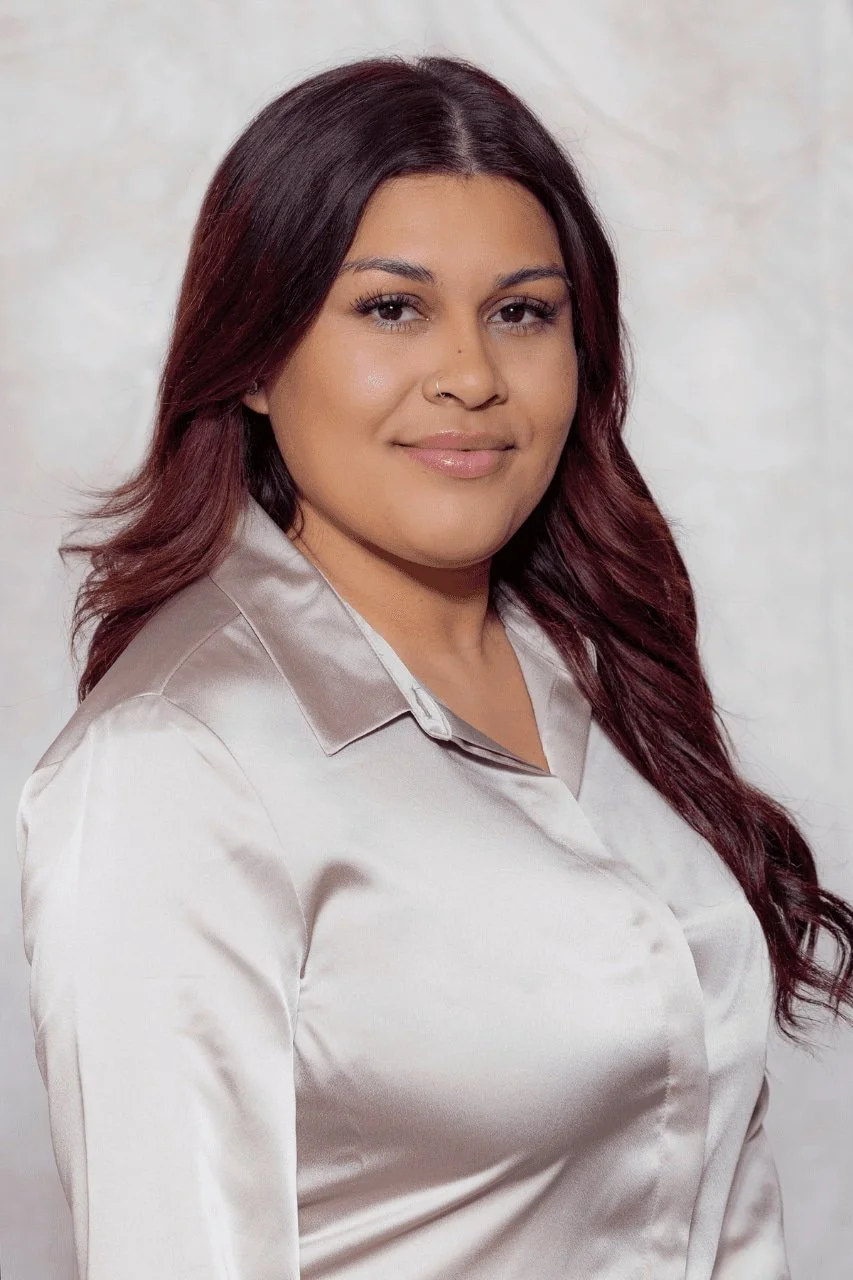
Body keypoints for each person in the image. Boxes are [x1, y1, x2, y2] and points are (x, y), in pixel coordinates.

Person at [16, 53, 853, 1280]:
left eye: (521, 311)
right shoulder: (173, 767)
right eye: (391, 308)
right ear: (252, 357)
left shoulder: (599, 677)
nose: (470, 375)